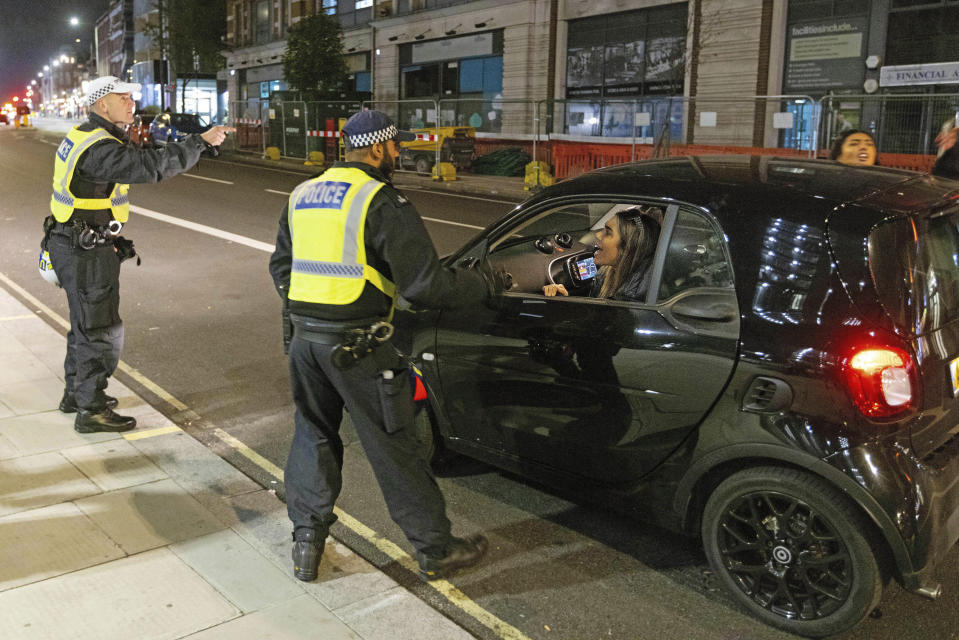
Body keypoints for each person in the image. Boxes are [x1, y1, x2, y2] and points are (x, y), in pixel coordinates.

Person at [268, 110, 502, 583]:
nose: (399, 154)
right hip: (359, 347)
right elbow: (425, 286)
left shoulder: (303, 194)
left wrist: (311, 315)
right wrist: (485, 283)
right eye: (395, 146)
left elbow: (282, 269)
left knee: (314, 436)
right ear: (376, 149)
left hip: (305, 343)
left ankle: (306, 544)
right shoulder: (380, 199)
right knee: (396, 447)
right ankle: (436, 549)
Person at [44, 75, 233, 433]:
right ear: (103, 104)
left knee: (84, 325)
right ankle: (92, 409)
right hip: (84, 250)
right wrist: (199, 142)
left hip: (73, 242)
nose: (132, 103)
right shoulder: (98, 147)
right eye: (124, 98)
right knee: (100, 330)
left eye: (132, 97)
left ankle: (77, 394)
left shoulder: (88, 135)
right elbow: (151, 167)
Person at [543, 208, 661, 300]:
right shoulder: (604, 273)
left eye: (608, 232)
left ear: (628, 247)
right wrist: (564, 297)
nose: (598, 235)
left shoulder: (631, 298)